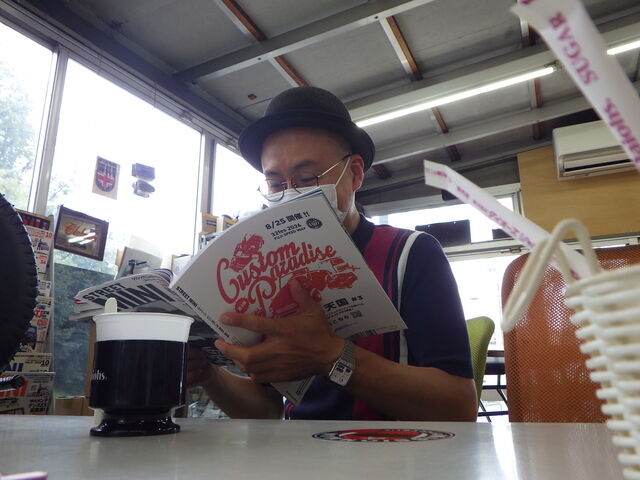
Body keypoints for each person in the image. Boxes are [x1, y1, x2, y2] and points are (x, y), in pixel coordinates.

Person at [187, 86, 477, 421]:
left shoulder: (409, 253)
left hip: (393, 447)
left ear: (355, 173)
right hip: (300, 448)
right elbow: (268, 408)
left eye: (307, 178)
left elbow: (458, 406)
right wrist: (208, 374)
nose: (291, 194)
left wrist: (331, 356)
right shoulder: (272, 271)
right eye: (276, 184)